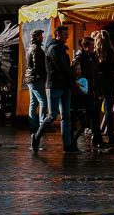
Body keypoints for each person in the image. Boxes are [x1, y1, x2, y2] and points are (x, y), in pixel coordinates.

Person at [34, 25, 78, 155]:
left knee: (66, 117)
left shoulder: (61, 48)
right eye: (65, 34)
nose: (67, 37)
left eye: (67, 34)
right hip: (54, 86)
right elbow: (61, 67)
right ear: (57, 34)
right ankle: (36, 137)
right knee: (52, 115)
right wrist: (71, 74)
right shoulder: (53, 48)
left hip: (64, 86)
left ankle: (67, 145)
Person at [74, 36, 102, 149]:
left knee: (95, 116)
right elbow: (78, 75)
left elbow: (96, 73)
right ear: (85, 46)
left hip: (92, 90)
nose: (93, 47)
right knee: (85, 120)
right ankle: (74, 139)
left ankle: (97, 140)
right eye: (91, 45)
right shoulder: (80, 58)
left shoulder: (91, 57)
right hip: (85, 91)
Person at [93, 30, 114, 149]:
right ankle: (110, 136)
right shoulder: (110, 51)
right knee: (108, 110)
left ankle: (96, 135)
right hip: (109, 81)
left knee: (96, 110)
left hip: (97, 83)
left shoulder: (94, 52)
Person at [24, 30, 48, 131]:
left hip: (30, 78)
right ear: (36, 37)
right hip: (35, 79)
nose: (42, 37)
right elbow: (36, 65)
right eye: (40, 36)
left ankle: (33, 125)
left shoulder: (30, 47)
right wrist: (41, 76)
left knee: (33, 102)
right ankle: (42, 124)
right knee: (43, 101)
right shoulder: (36, 49)